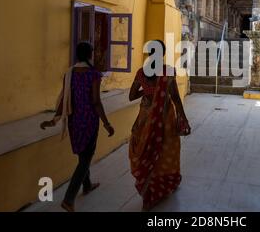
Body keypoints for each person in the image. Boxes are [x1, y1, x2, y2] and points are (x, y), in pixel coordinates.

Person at [40, 42, 115, 212]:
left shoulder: (69, 74)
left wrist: (55, 119)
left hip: (74, 121)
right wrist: (107, 123)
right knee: (86, 159)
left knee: (83, 155)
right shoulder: (94, 74)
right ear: (90, 55)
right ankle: (68, 199)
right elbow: (96, 102)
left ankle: (87, 185)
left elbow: (64, 99)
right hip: (89, 121)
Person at [128, 40, 190, 211]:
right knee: (164, 151)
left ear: (148, 53)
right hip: (165, 119)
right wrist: (183, 118)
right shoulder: (168, 71)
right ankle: (163, 185)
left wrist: (148, 91)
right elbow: (175, 98)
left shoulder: (141, 73)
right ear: (162, 54)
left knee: (146, 151)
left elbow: (132, 96)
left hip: (145, 119)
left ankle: (148, 193)